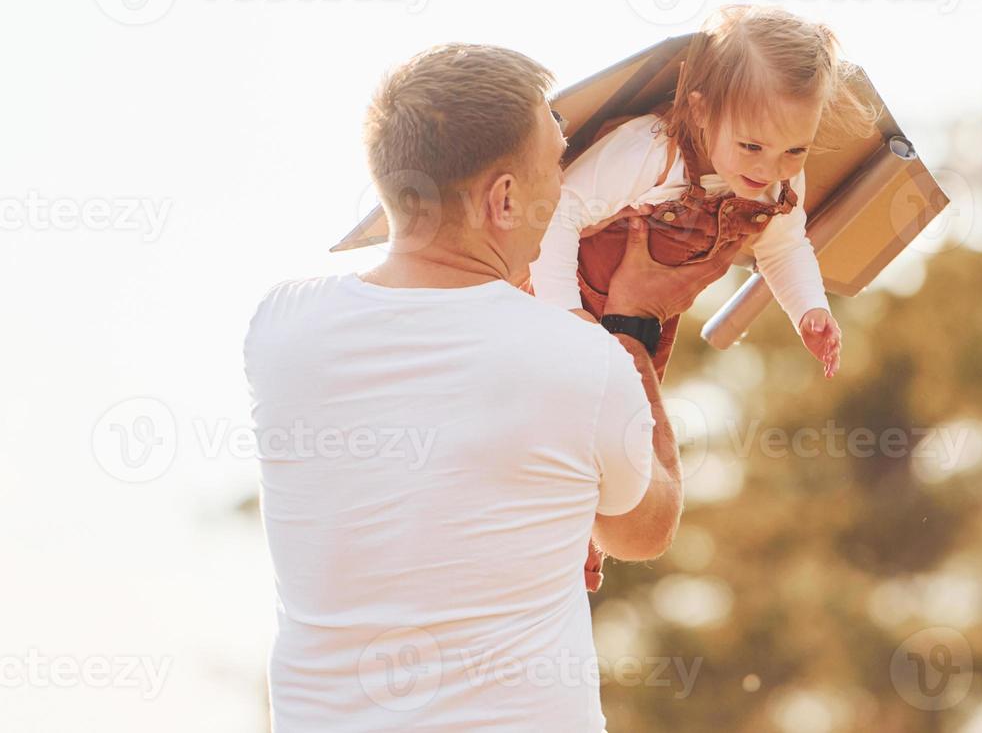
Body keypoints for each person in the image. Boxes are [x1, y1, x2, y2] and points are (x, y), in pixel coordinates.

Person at [243, 43, 740, 731]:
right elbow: (643, 528)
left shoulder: (279, 327)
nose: (563, 190)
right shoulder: (582, 363)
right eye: (552, 170)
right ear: (503, 199)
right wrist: (631, 325)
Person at [528, 5, 876, 381]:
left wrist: (809, 308)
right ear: (702, 111)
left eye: (795, 150)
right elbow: (559, 210)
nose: (769, 169)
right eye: (750, 146)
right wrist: (563, 311)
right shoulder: (655, 150)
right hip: (558, 296)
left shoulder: (781, 183)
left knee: (630, 427)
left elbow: (783, 248)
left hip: (647, 327)